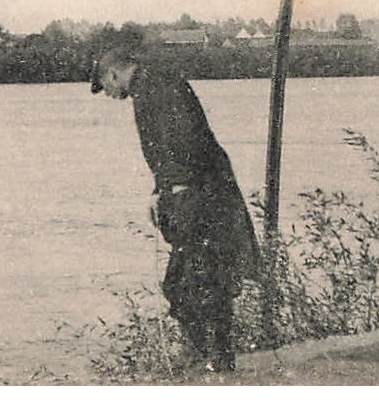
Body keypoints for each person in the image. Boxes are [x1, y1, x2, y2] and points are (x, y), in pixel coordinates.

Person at [92, 44, 259, 372]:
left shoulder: (156, 88)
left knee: (195, 282)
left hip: (198, 198)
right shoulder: (153, 85)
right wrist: (161, 191)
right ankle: (212, 358)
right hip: (198, 193)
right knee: (196, 281)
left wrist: (177, 189)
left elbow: (182, 139)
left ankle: (213, 361)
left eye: (106, 86)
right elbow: (170, 147)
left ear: (113, 73)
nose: (108, 93)